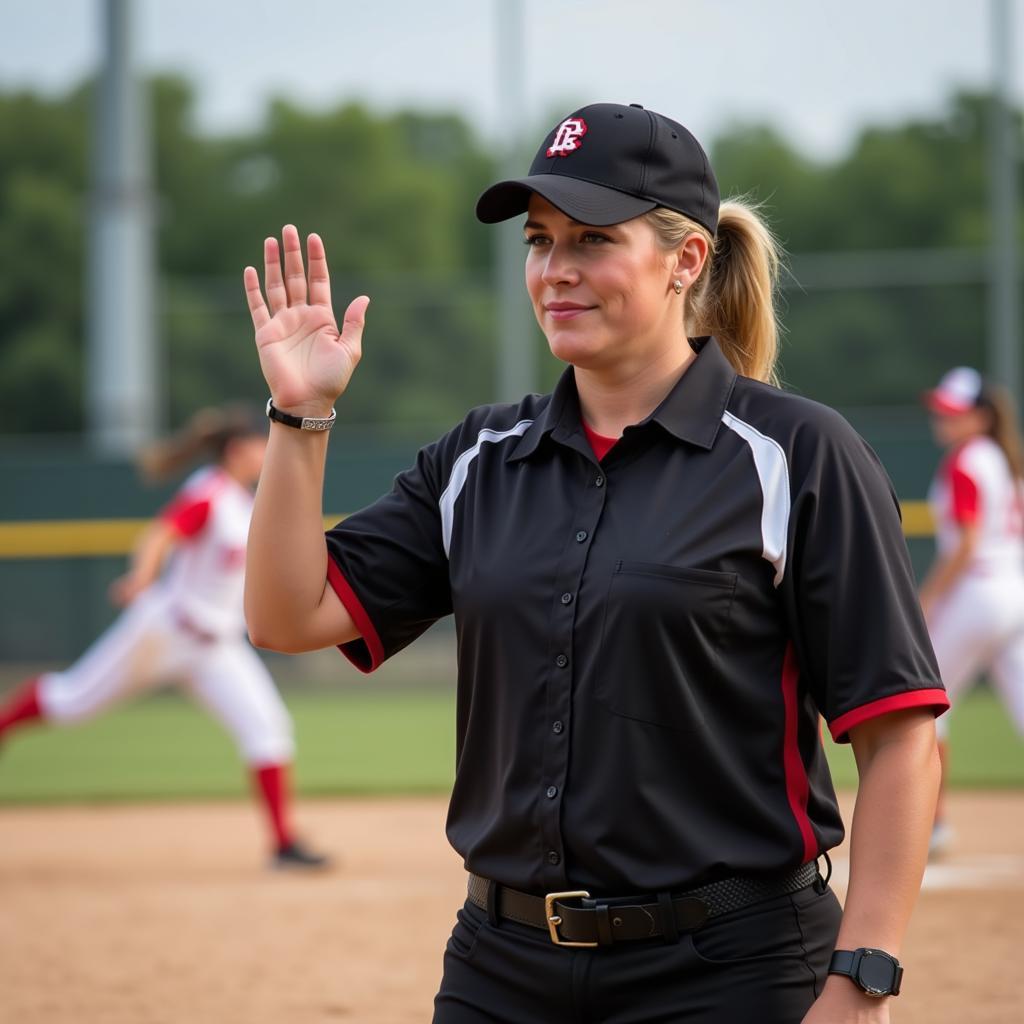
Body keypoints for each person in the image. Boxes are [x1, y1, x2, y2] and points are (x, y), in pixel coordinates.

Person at [242, 103, 947, 1022]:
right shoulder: (479, 459)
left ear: (685, 260)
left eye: (592, 240)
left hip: (729, 969)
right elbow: (287, 615)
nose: (555, 271)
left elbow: (900, 737)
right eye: (540, 241)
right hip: (502, 969)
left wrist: (863, 980)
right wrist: (300, 417)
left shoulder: (796, 455)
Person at [0, 406, 328, 871]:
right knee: (71, 703)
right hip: (167, 630)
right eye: (262, 444)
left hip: (216, 647)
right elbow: (160, 535)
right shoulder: (210, 494)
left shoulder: (244, 501)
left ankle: (282, 844)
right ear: (238, 450)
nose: (267, 453)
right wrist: (141, 576)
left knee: (268, 730)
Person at [919, 367, 1024, 857]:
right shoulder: (1002, 458)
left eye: (953, 412)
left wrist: (930, 596)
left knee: (927, 703)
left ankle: (933, 825)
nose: (943, 418)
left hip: (977, 592)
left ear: (979, 417)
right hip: (1012, 590)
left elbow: (965, 545)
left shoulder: (965, 460)